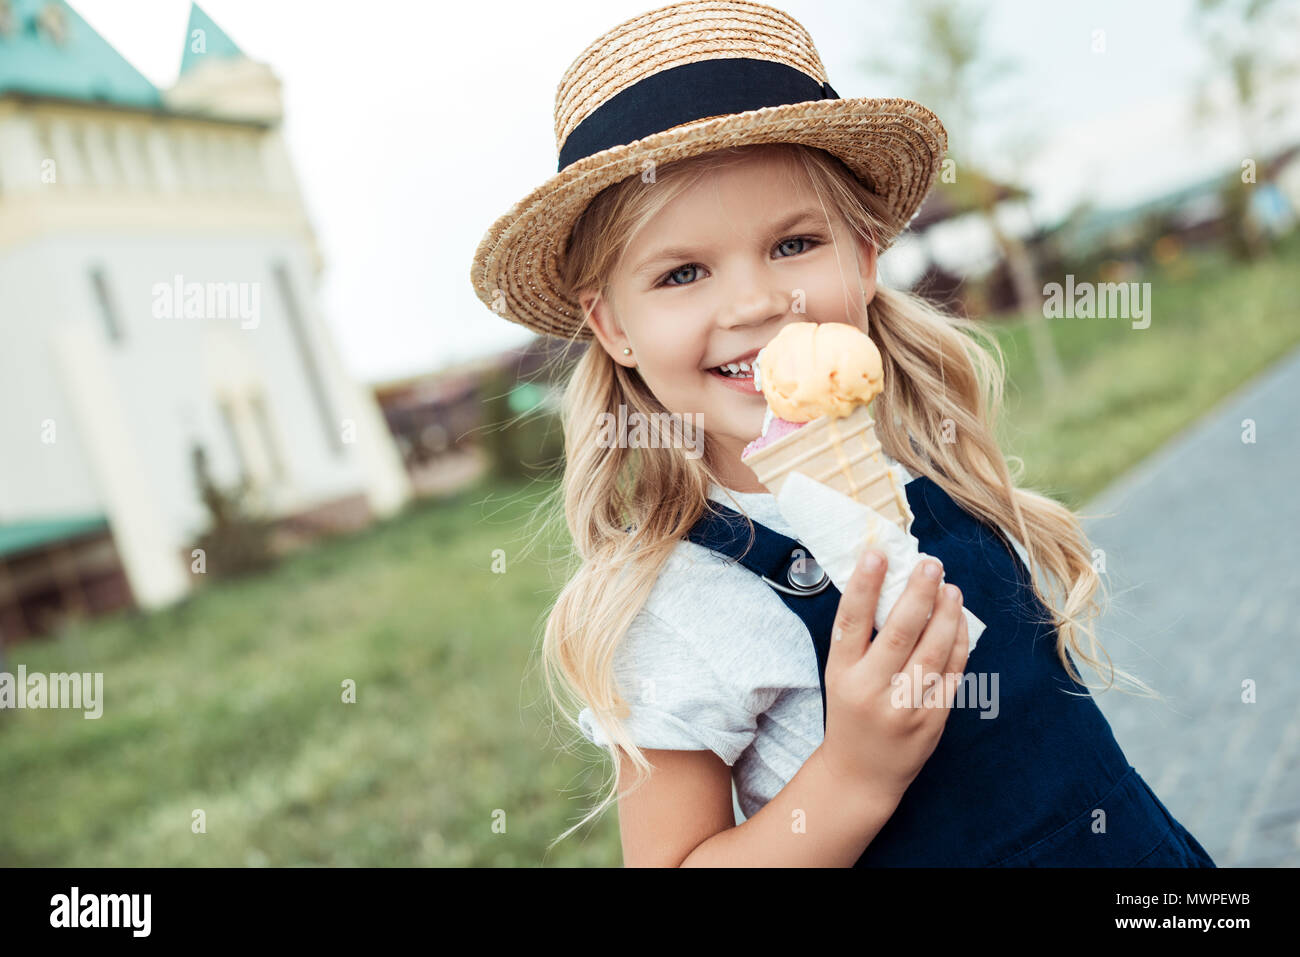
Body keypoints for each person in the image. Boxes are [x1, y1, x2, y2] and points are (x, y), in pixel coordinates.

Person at [469, 0, 1215, 868]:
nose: (753, 303)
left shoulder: (925, 472)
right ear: (613, 327)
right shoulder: (681, 606)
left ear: (864, 258)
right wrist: (852, 776)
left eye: (793, 244)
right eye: (682, 272)